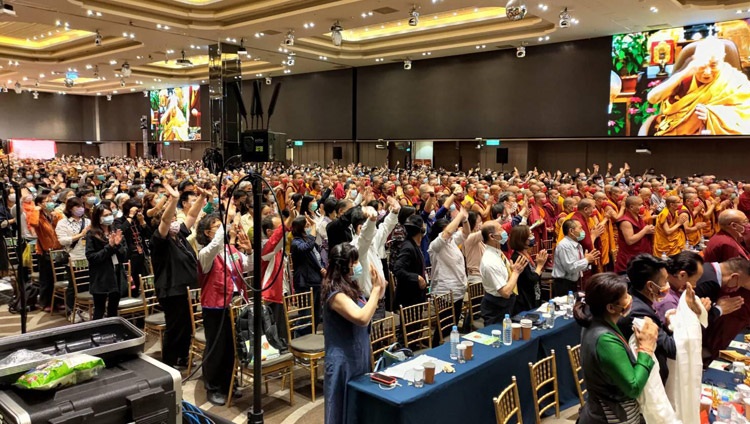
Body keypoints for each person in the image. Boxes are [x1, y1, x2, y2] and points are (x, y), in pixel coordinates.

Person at [574, 272, 658, 423]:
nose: (630, 299)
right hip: (611, 415)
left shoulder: (595, 320)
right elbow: (633, 387)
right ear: (611, 308)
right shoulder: (605, 340)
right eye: (625, 297)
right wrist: (646, 349)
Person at [322, 243, 383, 424]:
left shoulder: (350, 285)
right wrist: (376, 290)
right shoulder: (335, 293)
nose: (357, 265)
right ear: (344, 265)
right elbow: (362, 317)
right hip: (343, 362)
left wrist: (377, 290)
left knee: (357, 410)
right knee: (340, 411)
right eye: (354, 262)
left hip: (358, 355)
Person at [196, 214, 253, 406]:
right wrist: (227, 223)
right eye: (217, 227)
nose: (222, 229)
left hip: (235, 303)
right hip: (215, 306)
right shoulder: (205, 253)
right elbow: (215, 245)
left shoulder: (231, 250)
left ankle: (229, 383)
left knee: (232, 347)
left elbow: (248, 267)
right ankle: (213, 387)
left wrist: (249, 251)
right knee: (216, 347)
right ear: (207, 232)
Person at [150, 182, 206, 369]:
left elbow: (191, 215)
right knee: (175, 328)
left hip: (187, 289)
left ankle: (183, 357)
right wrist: (173, 199)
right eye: (172, 218)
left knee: (188, 326)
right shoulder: (160, 240)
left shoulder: (179, 235)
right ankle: (169, 363)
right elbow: (165, 222)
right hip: (171, 290)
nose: (175, 221)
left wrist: (202, 197)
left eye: (176, 217)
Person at [647, 37, 750, 136]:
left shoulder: (734, 79)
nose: (707, 72)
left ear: (722, 60)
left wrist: (713, 115)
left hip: (718, 140)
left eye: (713, 65)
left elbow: (745, 114)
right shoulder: (686, 79)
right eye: (702, 65)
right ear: (696, 61)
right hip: (680, 138)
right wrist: (685, 72)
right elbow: (652, 98)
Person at [428, 209, 469, 344]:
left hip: (458, 289)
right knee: (443, 327)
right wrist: (458, 217)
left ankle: (450, 349)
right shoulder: (435, 245)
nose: (451, 233)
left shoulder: (451, 241)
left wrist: (465, 219)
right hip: (444, 291)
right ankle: (435, 350)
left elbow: (465, 233)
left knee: (454, 324)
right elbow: (447, 233)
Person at [479, 222, 527, 324]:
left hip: (506, 304)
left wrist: (511, 269)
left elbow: (504, 275)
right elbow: (505, 292)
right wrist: (515, 272)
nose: (505, 232)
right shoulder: (489, 261)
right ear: (492, 236)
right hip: (496, 307)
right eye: (501, 229)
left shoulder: (497, 251)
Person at [85, 204, 127, 320]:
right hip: (101, 276)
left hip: (116, 274)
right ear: (98, 217)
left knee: (113, 308)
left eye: (110, 214)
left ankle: (112, 333)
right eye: (105, 215)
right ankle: (97, 334)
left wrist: (118, 246)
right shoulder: (92, 234)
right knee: (99, 309)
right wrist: (110, 246)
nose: (109, 217)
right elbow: (92, 257)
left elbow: (124, 255)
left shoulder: (116, 232)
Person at [290, 214, 326, 328]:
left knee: (315, 315)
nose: (309, 227)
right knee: (305, 317)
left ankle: (312, 339)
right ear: (301, 227)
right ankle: (300, 341)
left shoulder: (308, 240)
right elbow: (305, 248)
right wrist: (314, 228)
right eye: (307, 225)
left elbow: (317, 256)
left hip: (315, 280)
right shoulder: (296, 242)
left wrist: (322, 267)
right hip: (304, 282)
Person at [552, 219, 600, 297]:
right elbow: (570, 268)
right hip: (563, 284)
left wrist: (588, 261)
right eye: (580, 228)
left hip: (574, 283)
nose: (583, 231)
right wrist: (586, 260)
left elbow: (580, 268)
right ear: (571, 231)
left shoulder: (578, 245)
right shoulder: (564, 246)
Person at [654, 251, 706, 321]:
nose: (695, 286)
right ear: (682, 275)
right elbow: (680, 329)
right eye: (695, 281)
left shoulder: (674, 289)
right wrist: (700, 313)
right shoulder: (668, 301)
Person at [508, 224, 547, 314]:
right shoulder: (517, 257)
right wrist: (540, 265)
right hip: (524, 300)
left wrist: (538, 264)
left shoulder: (525, 254)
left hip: (534, 295)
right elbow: (531, 280)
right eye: (529, 235)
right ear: (522, 239)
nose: (532, 237)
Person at [392, 214, 427, 309]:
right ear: (421, 230)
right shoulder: (408, 247)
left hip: (415, 296)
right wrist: (417, 278)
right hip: (409, 299)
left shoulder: (414, 245)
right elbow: (397, 269)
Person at [615, 196, 655, 274]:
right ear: (631, 207)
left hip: (641, 256)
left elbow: (641, 232)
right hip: (630, 259)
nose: (642, 206)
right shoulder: (625, 221)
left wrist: (649, 230)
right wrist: (645, 230)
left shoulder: (638, 217)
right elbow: (629, 240)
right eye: (640, 205)